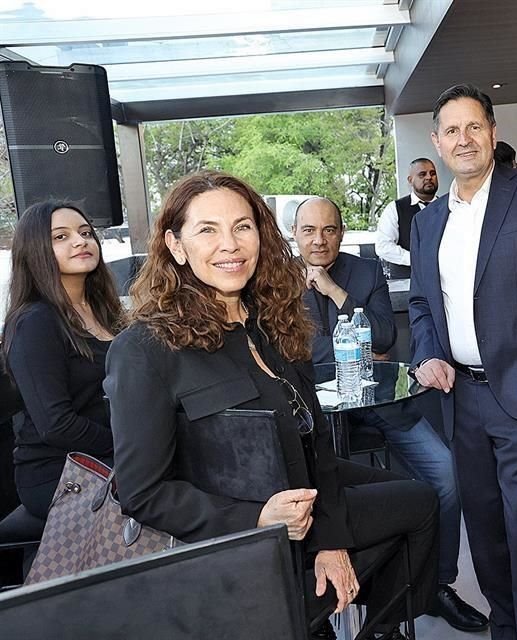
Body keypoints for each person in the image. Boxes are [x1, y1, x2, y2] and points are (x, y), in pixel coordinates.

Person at [105, 171, 439, 640]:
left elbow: (317, 438)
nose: (230, 245)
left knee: (420, 497)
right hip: (242, 535)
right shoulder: (144, 349)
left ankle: (372, 624)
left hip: (303, 479)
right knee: (415, 504)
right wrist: (257, 519)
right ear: (176, 246)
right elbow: (141, 493)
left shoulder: (275, 321)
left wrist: (331, 540)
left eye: (243, 226)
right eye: (208, 230)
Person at [408, 83, 517, 640]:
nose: (464, 139)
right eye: (451, 130)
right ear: (436, 142)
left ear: (493, 132)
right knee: (486, 534)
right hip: (462, 401)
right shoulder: (427, 221)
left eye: (474, 126)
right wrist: (427, 352)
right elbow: (420, 303)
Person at [293, 196, 488, 633]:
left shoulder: (362, 272)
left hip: (379, 403)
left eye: (328, 230)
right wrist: (353, 340)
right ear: (295, 235)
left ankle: (437, 585)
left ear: (342, 232)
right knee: (321, 495)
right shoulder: (275, 279)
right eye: (309, 231)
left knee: (444, 473)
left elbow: (384, 336)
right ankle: (352, 596)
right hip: (312, 417)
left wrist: (333, 291)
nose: (319, 239)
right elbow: (290, 352)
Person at [2, 200, 124, 519]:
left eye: (85, 232)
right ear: (35, 251)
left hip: (114, 453)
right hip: (59, 472)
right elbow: (57, 425)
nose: (80, 240)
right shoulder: (35, 322)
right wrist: (133, 442)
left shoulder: (107, 312)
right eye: (61, 236)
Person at [375, 158, 439, 279]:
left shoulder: (448, 206)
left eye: (433, 173)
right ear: (410, 180)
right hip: (407, 283)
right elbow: (383, 246)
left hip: (443, 281)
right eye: (422, 174)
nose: (429, 177)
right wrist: (415, 259)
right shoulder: (395, 208)